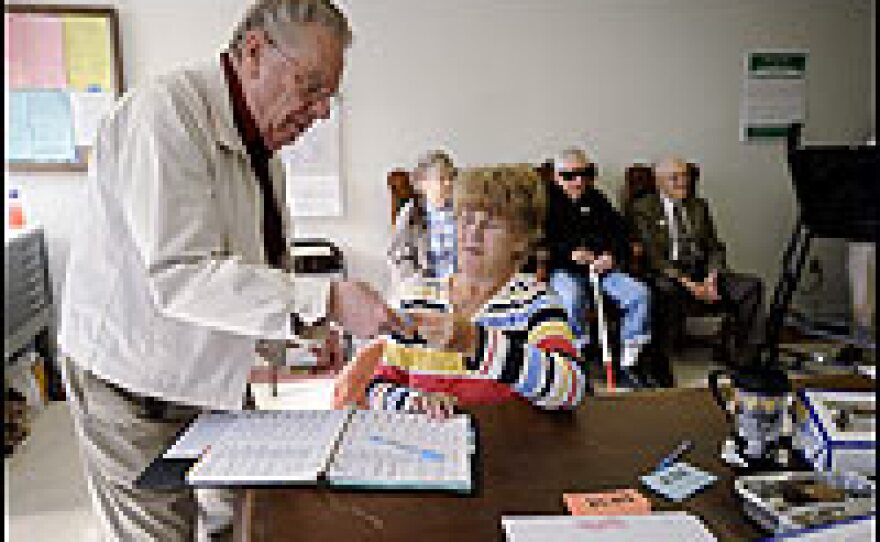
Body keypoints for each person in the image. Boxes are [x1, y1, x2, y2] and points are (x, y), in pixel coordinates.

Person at [57, 2, 407, 540]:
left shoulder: (261, 141)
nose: (320, 113)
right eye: (310, 88)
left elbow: (250, 269)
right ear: (253, 53)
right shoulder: (165, 115)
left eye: (328, 97)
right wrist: (327, 301)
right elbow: (182, 274)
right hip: (132, 384)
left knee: (241, 521)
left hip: (211, 378)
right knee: (159, 534)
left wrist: (306, 333)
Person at [335, 165, 588, 416]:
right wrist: (412, 401)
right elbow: (377, 386)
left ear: (522, 239)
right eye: (465, 220)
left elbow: (571, 390)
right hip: (430, 446)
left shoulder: (537, 303)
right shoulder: (418, 296)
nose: (472, 234)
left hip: (506, 447)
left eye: (490, 225)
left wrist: (474, 343)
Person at [629, 157, 764, 372]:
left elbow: (714, 246)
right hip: (668, 274)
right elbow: (654, 257)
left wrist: (712, 277)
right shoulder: (643, 208)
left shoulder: (699, 206)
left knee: (751, 287)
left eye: (686, 176)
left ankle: (744, 359)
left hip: (701, 271)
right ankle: (660, 363)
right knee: (665, 290)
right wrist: (691, 285)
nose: (683, 182)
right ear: (659, 182)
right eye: (675, 178)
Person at [543, 148, 654, 389]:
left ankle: (629, 363)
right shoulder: (544, 203)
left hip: (602, 268)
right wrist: (569, 254)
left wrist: (610, 257)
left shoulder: (598, 199)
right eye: (570, 176)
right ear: (556, 176)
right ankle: (577, 361)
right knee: (571, 297)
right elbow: (539, 243)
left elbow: (622, 235)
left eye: (585, 173)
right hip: (564, 270)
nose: (579, 181)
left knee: (639, 294)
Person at [387, 150, 458, 286]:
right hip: (424, 287)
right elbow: (397, 257)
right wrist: (418, 285)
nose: (449, 183)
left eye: (451, 177)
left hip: (461, 287)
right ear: (422, 184)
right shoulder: (410, 213)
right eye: (441, 179)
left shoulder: (463, 210)